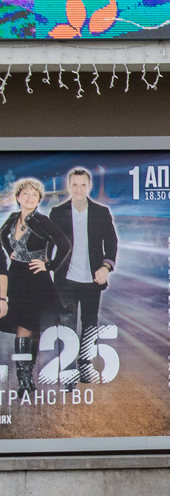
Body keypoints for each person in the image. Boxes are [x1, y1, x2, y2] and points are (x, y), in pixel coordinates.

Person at [0, 178, 71, 394]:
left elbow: (65, 244)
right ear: (18, 198)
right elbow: (2, 236)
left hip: (35, 280)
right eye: (25, 194)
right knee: (25, 327)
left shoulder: (41, 220)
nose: (29, 198)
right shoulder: (12, 218)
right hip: (15, 277)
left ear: (39, 199)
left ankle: (25, 377)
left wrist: (49, 265)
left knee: (30, 328)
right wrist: (10, 251)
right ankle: (25, 379)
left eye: (34, 195)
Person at [50, 168, 118, 384]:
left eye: (83, 185)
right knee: (67, 325)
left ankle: (85, 365)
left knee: (89, 324)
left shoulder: (101, 212)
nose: (78, 189)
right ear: (69, 187)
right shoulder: (57, 213)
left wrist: (106, 267)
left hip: (92, 280)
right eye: (74, 185)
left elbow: (112, 242)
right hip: (65, 280)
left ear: (89, 187)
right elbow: (46, 243)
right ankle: (69, 370)